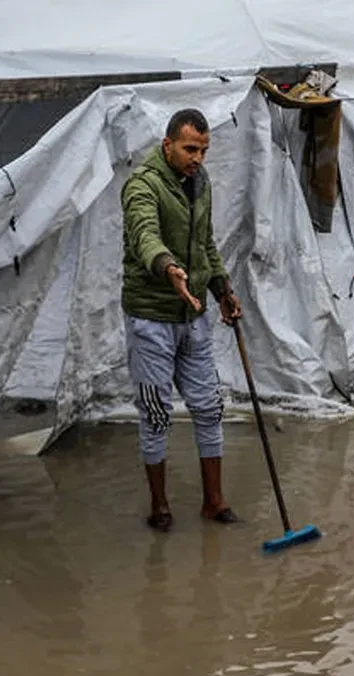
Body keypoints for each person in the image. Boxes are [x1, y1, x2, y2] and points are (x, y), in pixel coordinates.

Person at [121, 108, 242, 532]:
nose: (198, 158)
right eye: (191, 149)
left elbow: (205, 242)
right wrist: (167, 266)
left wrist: (222, 289)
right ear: (168, 143)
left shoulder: (199, 183)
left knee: (209, 407)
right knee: (156, 414)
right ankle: (160, 505)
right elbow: (143, 233)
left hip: (193, 316)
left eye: (204, 150)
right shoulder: (143, 184)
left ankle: (214, 500)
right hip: (151, 316)